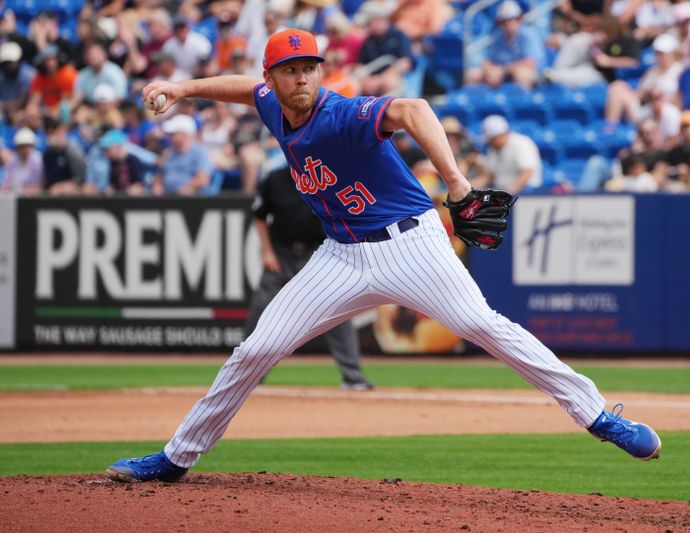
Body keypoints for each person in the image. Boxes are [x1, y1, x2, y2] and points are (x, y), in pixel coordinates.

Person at [105, 28, 661, 483]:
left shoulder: (341, 114)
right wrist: (182, 86)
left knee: (482, 324)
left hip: (411, 244)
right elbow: (243, 89)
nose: (302, 77)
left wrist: (457, 183)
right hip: (341, 256)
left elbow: (415, 108)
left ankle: (596, 414)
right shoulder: (272, 104)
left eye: (310, 67)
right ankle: (177, 457)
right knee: (257, 349)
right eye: (291, 69)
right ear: (274, 77)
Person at [246, 164, 373, 390]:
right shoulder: (275, 178)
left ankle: (354, 377)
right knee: (261, 311)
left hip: (318, 254)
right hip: (281, 255)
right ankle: (248, 377)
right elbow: (259, 215)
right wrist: (267, 251)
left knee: (337, 312)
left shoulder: (327, 175)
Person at [466, 0, 540, 89]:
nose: (508, 23)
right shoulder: (497, 35)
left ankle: (522, 102)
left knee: (521, 74)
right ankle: (482, 102)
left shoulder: (528, 35)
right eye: (504, 20)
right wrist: (490, 70)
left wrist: (503, 70)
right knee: (473, 75)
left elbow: (530, 62)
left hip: (529, 73)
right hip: (501, 72)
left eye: (513, 18)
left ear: (519, 19)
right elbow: (487, 59)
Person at [153, 114, 214, 195]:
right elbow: (159, 175)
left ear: (185, 134)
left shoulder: (201, 152)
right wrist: (157, 187)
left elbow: (203, 179)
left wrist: (188, 187)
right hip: (167, 199)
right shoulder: (168, 153)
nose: (169, 136)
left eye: (173, 133)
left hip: (191, 200)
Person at [481, 115, 542, 194]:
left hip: (526, 192)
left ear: (502, 134)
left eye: (493, 138)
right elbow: (489, 175)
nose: (491, 142)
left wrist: (510, 191)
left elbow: (527, 172)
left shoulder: (521, 144)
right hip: (502, 191)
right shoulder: (493, 148)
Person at [0, 128, 44, 194]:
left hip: (34, 197)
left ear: (32, 146)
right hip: (14, 196)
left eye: (27, 146)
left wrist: (30, 190)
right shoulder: (12, 161)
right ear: (18, 147)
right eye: (22, 146)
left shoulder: (38, 160)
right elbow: (5, 183)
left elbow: (41, 183)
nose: (25, 149)